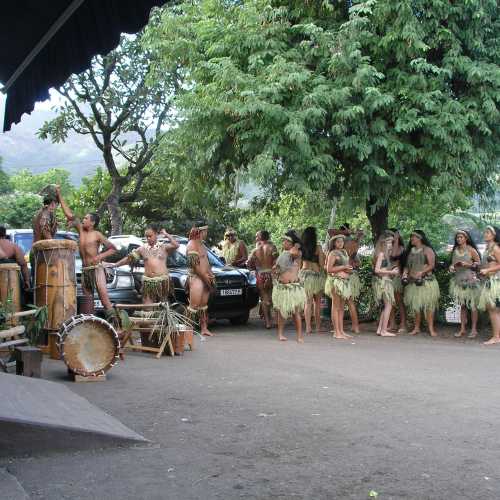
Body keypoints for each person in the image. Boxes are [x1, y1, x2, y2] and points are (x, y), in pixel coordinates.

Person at [58, 188, 117, 317]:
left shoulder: (97, 235)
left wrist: (100, 256)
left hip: (96, 268)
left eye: (86, 218)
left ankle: (116, 322)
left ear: (92, 222)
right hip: (85, 271)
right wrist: (59, 194)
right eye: (83, 218)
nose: (83, 220)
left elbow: (113, 248)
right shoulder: (81, 230)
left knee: (103, 295)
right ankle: (90, 322)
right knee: (87, 299)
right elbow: (69, 214)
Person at [112, 224, 179, 304]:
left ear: (156, 235)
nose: (148, 238)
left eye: (150, 236)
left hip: (162, 282)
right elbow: (128, 259)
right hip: (148, 283)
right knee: (148, 309)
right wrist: (115, 264)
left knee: (163, 308)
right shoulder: (142, 249)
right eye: (146, 236)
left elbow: (176, 245)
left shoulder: (164, 247)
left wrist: (166, 234)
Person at [402, 230, 440, 337]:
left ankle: (431, 328)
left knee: (429, 306)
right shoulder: (411, 251)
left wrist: (421, 272)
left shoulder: (427, 250)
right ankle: (417, 328)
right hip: (413, 282)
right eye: (411, 237)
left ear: (420, 238)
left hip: (426, 282)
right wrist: (405, 274)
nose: (411, 239)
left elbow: (431, 265)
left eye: (413, 237)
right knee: (416, 306)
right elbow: (407, 266)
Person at [272, 231, 306, 342]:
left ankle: (300, 336)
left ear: (291, 243)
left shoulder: (296, 253)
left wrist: (296, 244)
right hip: (283, 287)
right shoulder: (283, 254)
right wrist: (275, 270)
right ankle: (280, 334)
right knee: (282, 313)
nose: (283, 242)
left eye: (286, 241)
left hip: (293, 288)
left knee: (296, 313)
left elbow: (294, 253)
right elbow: (278, 269)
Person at [449, 230, 481, 338]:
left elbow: (478, 264)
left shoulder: (471, 250)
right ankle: (462, 329)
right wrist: (452, 267)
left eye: (461, 237)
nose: (459, 239)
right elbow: (452, 264)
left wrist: (467, 264)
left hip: (470, 280)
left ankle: (474, 329)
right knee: (462, 306)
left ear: (466, 238)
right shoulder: (455, 251)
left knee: (472, 306)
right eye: (457, 237)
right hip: (459, 280)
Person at [186, 222, 215, 336]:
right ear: (200, 231)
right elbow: (195, 267)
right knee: (194, 306)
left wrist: (210, 275)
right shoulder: (192, 244)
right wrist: (205, 278)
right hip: (197, 278)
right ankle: (188, 329)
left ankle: (204, 328)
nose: (206, 233)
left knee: (203, 305)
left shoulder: (202, 244)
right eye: (205, 231)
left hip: (206, 277)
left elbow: (205, 262)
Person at [247, 230, 278, 329]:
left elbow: (248, 263)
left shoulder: (255, 250)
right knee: (272, 297)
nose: (256, 238)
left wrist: (255, 268)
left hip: (260, 275)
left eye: (257, 236)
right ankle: (276, 320)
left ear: (261, 237)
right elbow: (277, 262)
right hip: (271, 274)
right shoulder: (272, 248)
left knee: (264, 299)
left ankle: (268, 322)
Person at [324, 234, 353, 340]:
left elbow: (346, 266)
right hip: (336, 282)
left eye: (342, 241)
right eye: (338, 242)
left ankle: (341, 331)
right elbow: (329, 269)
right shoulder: (332, 253)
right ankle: (336, 332)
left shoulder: (344, 252)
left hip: (344, 282)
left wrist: (348, 269)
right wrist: (343, 267)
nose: (340, 243)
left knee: (341, 308)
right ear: (334, 243)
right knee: (335, 307)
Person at [299, 226, 326, 335]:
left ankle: (308, 327)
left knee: (307, 302)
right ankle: (318, 327)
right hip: (316, 276)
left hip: (305, 276)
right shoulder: (318, 247)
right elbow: (321, 264)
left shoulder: (301, 248)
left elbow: (300, 265)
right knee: (318, 303)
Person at [372, 232, 400, 337]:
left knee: (386, 306)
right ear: (383, 243)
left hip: (386, 280)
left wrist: (393, 269)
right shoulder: (381, 254)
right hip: (384, 282)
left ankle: (380, 329)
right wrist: (391, 272)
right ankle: (384, 331)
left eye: (391, 242)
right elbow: (377, 270)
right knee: (388, 305)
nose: (391, 245)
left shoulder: (386, 255)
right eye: (388, 242)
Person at [478, 225, 500, 345]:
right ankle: (497, 335)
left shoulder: (495, 248)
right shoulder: (488, 248)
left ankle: (496, 337)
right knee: (494, 309)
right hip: (489, 280)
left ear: (494, 235)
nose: (485, 234)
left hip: (496, 281)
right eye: (485, 232)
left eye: (488, 232)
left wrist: (487, 271)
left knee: (493, 310)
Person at [339, 224, 362, 334]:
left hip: (346, 276)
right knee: (347, 302)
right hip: (351, 275)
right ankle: (353, 327)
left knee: (346, 302)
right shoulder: (354, 244)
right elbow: (358, 263)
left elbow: (330, 231)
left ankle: (346, 328)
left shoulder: (344, 246)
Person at [388, 228, 407, 333]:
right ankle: (392, 323)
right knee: (389, 301)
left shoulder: (402, 248)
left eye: (392, 236)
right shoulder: (386, 247)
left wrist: (395, 241)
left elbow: (394, 255)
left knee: (399, 301)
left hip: (397, 277)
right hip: (387, 277)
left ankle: (403, 324)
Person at [0, 226, 30, 290]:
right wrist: (27, 281)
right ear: (4, 235)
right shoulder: (13, 246)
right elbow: (23, 264)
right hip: (9, 282)